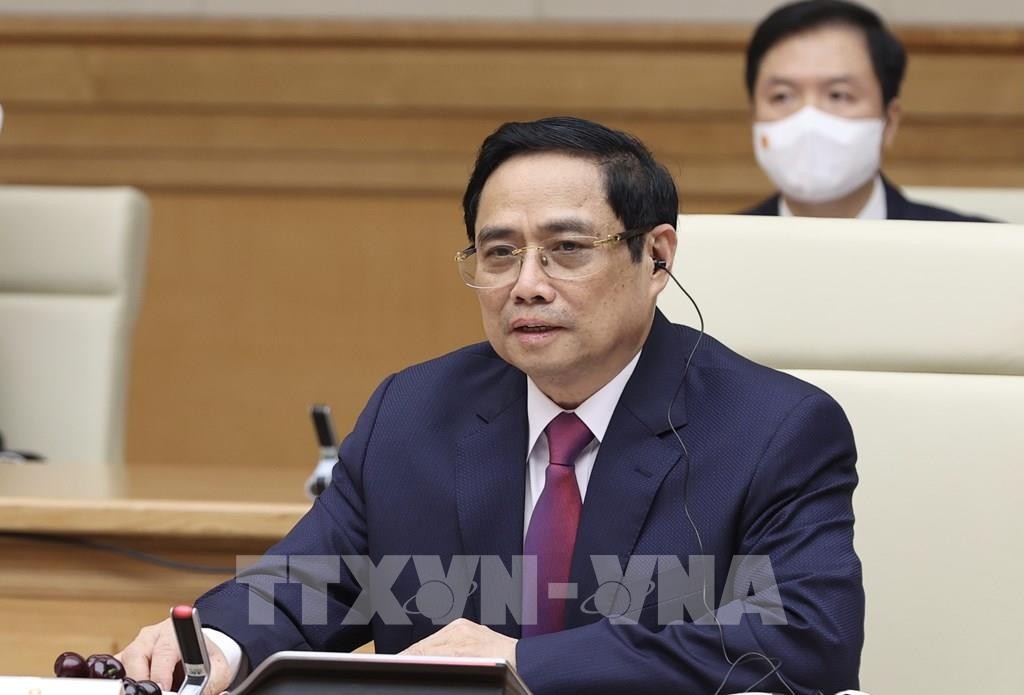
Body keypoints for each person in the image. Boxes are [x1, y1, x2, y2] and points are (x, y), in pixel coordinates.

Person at [117, 116, 864, 694]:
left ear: (657, 256)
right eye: (499, 252)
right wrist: (217, 642)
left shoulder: (774, 428)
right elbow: (310, 583)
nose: (526, 285)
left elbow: (807, 638)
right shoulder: (415, 409)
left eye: (567, 249)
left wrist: (525, 662)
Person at [741, 0, 992, 221]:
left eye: (838, 95)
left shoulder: (981, 247)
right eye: (782, 96)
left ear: (889, 122)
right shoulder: (721, 247)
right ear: (754, 118)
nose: (809, 119)